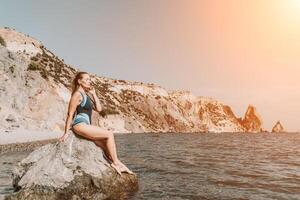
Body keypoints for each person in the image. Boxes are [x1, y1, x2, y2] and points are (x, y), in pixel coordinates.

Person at [58, 71, 133, 176]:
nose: (90, 82)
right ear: (79, 81)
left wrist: (94, 94)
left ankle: (114, 162)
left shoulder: (86, 95)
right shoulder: (77, 95)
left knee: (104, 144)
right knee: (109, 134)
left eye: (90, 79)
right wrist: (65, 133)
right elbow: (69, 114)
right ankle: (116, 163)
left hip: (86, 126)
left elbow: (99, 109)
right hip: (79, 125)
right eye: (87, 79)